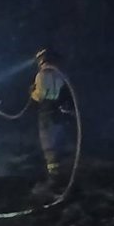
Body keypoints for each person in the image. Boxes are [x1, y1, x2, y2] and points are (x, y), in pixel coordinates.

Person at [31, 48, 72, 181]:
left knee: (48, 143)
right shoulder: (60, 74)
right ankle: (62, 172)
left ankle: (54, 176)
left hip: (46, 112)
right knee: (58, 140)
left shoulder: (41, 75)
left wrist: (32, 93)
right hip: (58, 111)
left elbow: (40, 95)